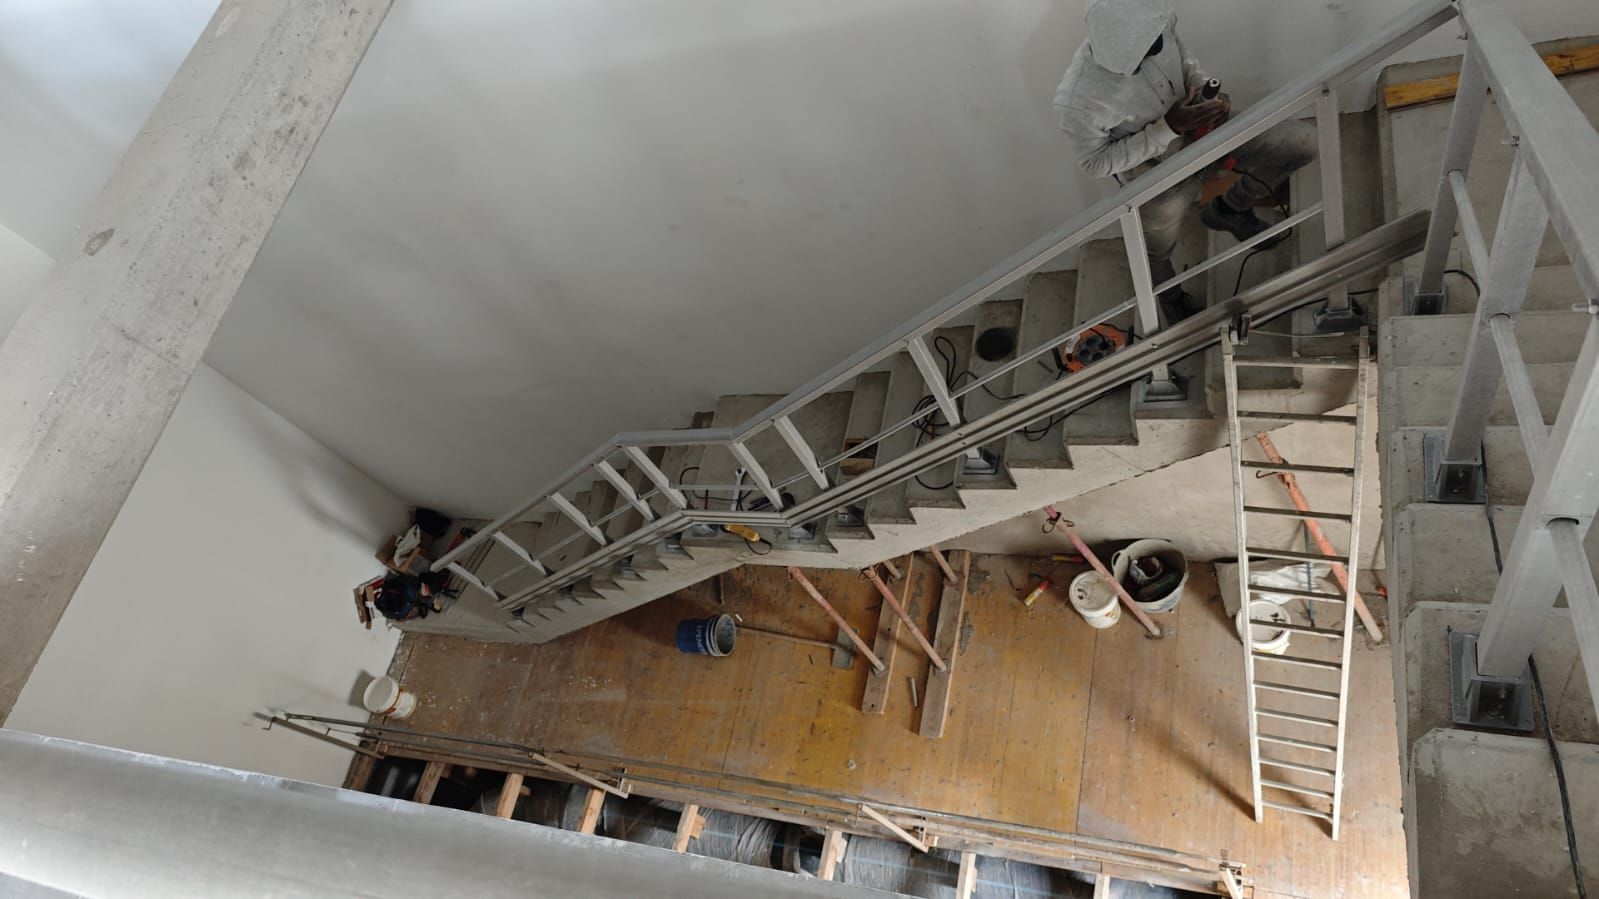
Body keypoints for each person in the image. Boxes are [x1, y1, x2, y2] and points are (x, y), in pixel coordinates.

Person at [1054, 0, 1316, 322]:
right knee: (1155, 252)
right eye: (1148, 48)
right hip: (1158, 177)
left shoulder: (1154, 20)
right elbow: (1095, 162)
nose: (1159, 42)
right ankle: (1172, 299)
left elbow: (1182, 55)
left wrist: (1206, 91)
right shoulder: (1077, 101)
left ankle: (1230, 210)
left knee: (1301, 144)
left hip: (1208, 133)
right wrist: (1168, 128)